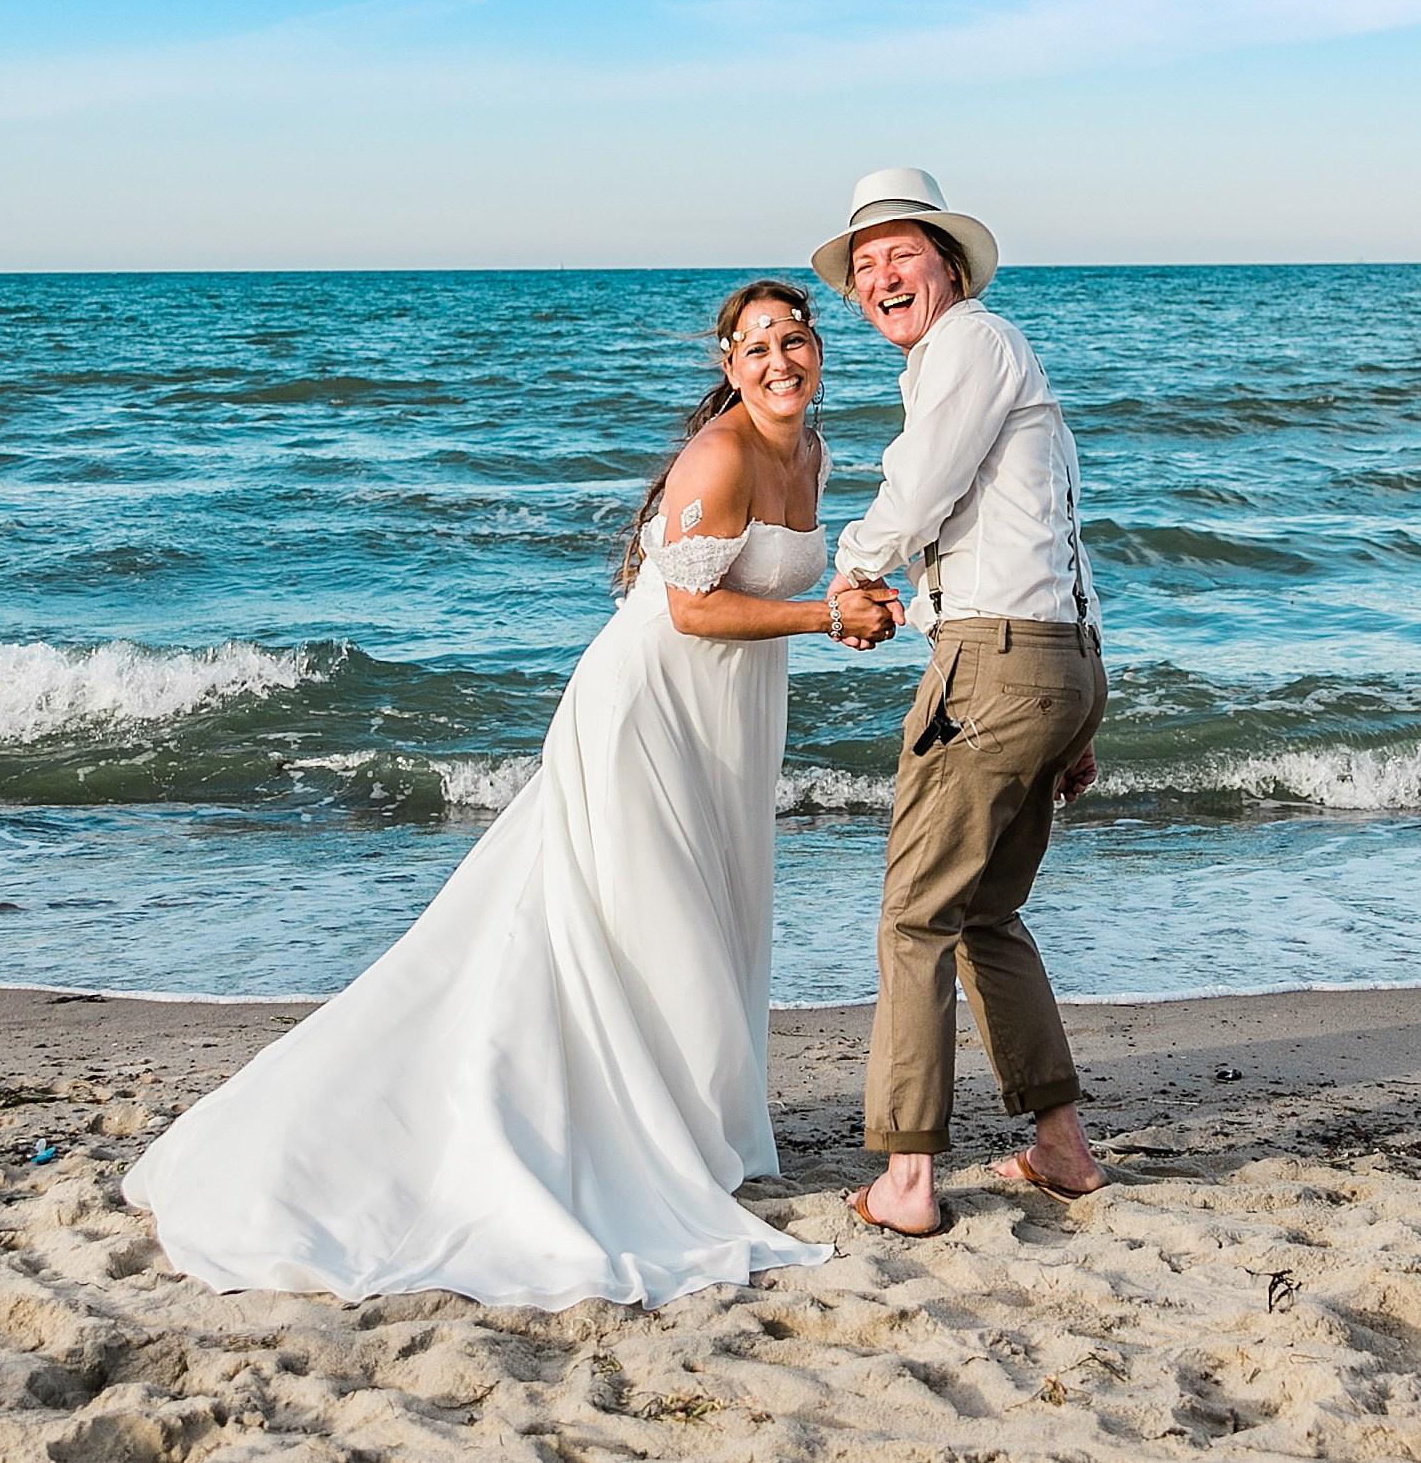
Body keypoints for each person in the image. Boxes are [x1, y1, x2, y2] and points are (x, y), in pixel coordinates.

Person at [123, 280, 900, 1310]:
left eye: (791, 340)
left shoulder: (811, 452)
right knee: (632, 913)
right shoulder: (717, 456)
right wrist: (822, 619)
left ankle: (688, 1119)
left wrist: (859, 602)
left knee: (710, 903)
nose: (776, 361)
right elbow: (688, 613)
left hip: (732, 710)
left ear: (816, 350)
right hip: (649, 705)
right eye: (753, 347)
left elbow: (766, 593)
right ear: (727, 367)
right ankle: (618, 1130)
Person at [811, 169, 1109, 1237]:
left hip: (995, 662)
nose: (882, 275)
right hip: (1054, 656)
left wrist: (849, 568)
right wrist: (1082, 710)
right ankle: (1061, 1149)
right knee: (986, 911)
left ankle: (903, 1178)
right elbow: (1058, 536)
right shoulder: (988, 354)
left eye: (903, 254)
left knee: (916, 915)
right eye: (865, 265)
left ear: (947, 265)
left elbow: (920, 484)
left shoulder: (967, 346)